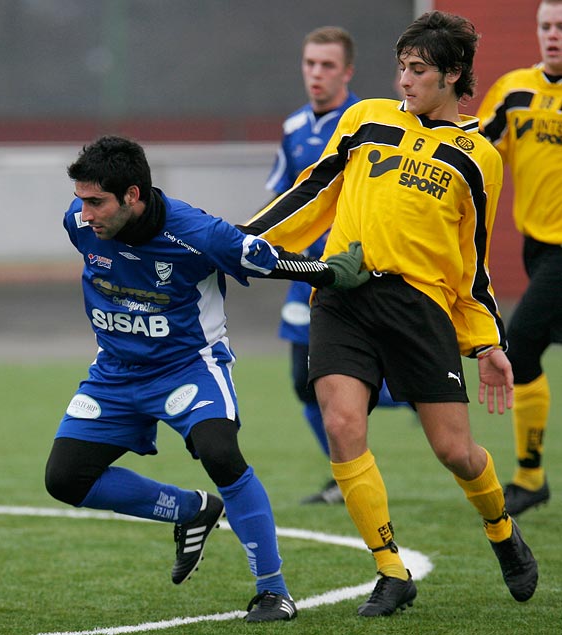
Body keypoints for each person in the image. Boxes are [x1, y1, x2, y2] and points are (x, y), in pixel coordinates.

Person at [239, 11, 538, 617]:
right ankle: (390, 569)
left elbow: (471, 263)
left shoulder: (478, 157)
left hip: (419, 309)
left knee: (456, 452)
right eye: (402, 67)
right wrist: (240, 241)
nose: (405, 80)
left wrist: (486, 344)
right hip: (343, 297)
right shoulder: (365, 118)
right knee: (342, 423)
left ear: (453, 75)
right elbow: (312, 190)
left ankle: (502, 529)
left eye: (419, 70)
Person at [43, 135, 369, 622]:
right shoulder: (80, 224)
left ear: (133, 195)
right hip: (113, 372)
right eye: (81, 201)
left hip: (187, 368)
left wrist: (329, 273)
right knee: (64, 479)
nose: (84, 214)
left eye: (96, 202)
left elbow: (265, 259)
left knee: (221, 453)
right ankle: (190, 511)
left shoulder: (197, 233)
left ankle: (272, 591)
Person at [267, 26, 403, 505]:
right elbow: (285, 200)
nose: (316, 74)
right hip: (300, 275)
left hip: (350, 276)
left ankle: (414, 393)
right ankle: (345, 478)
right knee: (303, 386)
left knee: (334, 381)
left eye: (327, 65)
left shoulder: (372, 124)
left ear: (347, 71)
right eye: (310, 64)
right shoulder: (293, 129)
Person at [476, 0, 562, 517]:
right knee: (528, 348)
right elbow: (479, 149)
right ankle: (532, 476)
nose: (553, 35)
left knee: (522, 342)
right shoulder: (514, 90)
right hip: (538, 245)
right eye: (546, 26)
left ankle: (530, 478)